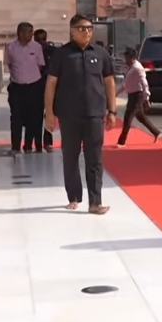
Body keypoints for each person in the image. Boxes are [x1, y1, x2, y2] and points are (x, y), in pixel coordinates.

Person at [44, 15, 118, 214]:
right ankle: (74, 196)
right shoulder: (62, 54)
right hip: (69, 115)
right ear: (72, 30)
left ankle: (95, 201)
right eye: (82, 28)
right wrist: (49, 113)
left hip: (94, 114)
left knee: (94, 158)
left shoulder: (101, 53)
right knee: (71, 156)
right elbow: (51, 84)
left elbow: (110, 82)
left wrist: (112, 111)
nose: (87, 32)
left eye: (89, 28)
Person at [4, 22, 45, 155]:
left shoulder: (37, 47)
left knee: (33, 117)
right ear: (20, 33)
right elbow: (9, 64)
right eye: (28, 32)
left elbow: (40, 65)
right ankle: (15, 146)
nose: (31, 35)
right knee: (16, 117)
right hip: (17, 87)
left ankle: (28, 145)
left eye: (32, 32)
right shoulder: (10, 47)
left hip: (34, 86)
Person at [117, 47, 161, 147]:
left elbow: (144, 84)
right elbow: (126, 84)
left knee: (128, 116)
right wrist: (116, 93)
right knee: (140, 117)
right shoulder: (130, 67)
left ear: (132, 58)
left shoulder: (137, 68)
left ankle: (121, 141)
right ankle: (156, 132)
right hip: (132, 94)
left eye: (126, 57)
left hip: (138, 95)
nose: (125, 59)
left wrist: (146, 98)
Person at [33, 29, 57, 152]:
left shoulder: (52, 51)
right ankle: (37, 143)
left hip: (49, 85)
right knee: (36, 116)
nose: (42, 42)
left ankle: (47, 142)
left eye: (43, 39)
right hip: (36, 86)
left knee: (49, 114)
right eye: (39, 39)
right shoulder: (31, 51)